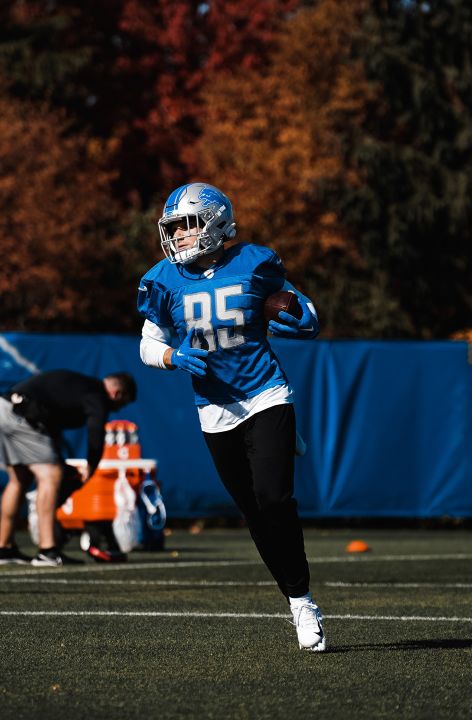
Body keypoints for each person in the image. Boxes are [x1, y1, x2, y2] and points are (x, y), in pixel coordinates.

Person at [135, 182, 327, 652]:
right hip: (214, 409)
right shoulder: (163, 279)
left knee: (273, 496)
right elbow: (147, 344)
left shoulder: (255, 262)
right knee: (255, 512)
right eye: (173, 227)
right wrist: (171, 359)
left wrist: (294, 314)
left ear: (216, 222)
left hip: (265, 392)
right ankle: (293, 596)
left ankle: (303, 603)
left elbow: (309, 319)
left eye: (187, 224)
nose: (178, 236)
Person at [0, 370, 138, 567]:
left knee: (19, 480)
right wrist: (91, 465)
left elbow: (49, 423)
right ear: (117, 393)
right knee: (51, 475)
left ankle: (4, 549)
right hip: (21, 413)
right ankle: (47, 551)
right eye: (122, 404)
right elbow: (96, 431)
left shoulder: (78, 387)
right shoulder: (97, 394)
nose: (117, 409)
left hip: (3, 407)